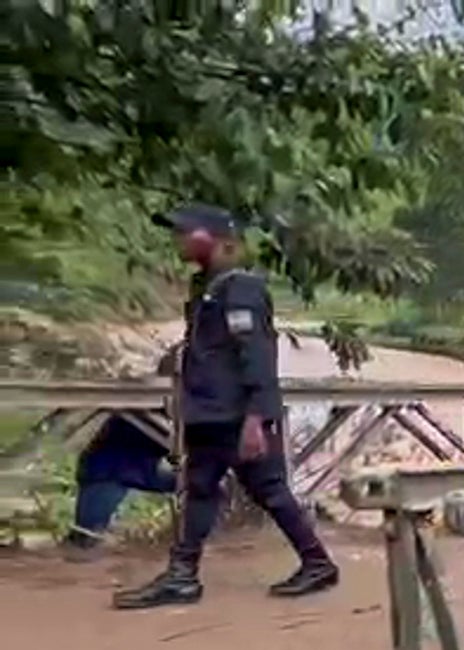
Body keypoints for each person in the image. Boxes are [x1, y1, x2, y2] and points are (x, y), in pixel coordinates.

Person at [114, 205, 337, 609]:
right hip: (210, 411)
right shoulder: (207, 286)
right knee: (203, 489)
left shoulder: (241, 288)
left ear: (218, 239)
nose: (179, 240)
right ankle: (184, 575)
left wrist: (256, 418)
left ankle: (315, 563)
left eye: (187, 232)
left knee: (266, 489)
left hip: (234, 415)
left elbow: (256, 356)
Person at [62, 415, 175, 558]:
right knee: (107, 461)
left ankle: (86, 537)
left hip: (130, 464)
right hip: (115, 465)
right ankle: (86, 536)